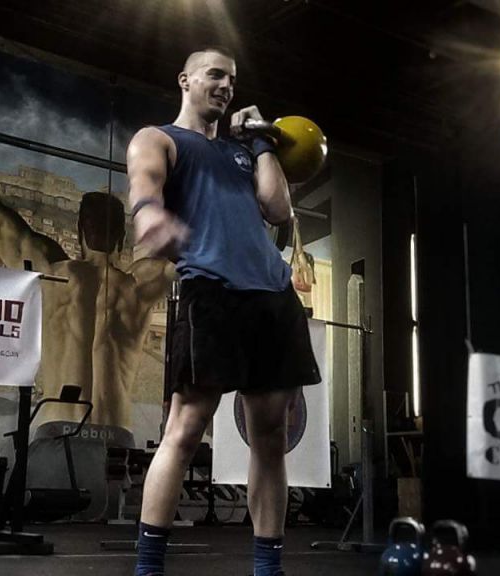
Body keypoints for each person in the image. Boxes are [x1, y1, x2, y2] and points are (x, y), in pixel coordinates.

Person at [126, 47, 321, 576]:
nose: (226, 86)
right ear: (185, 80)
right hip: (212, 293)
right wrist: (148, 215)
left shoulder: (242, 152)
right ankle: (148, 568)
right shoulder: (159, 138)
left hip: (273, 297)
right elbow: (144, 187)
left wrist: (262, 142)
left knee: (270, 439)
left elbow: (278, 209)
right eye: (215, 75)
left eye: (232, 80)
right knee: (185, 429)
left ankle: (268, 568)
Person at [0, 109, 173, 445]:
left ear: (78, 231)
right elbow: (201, 245)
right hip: (116, 435)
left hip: (57, 426)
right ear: (123, 238)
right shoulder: (140, 286)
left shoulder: (52, 272)